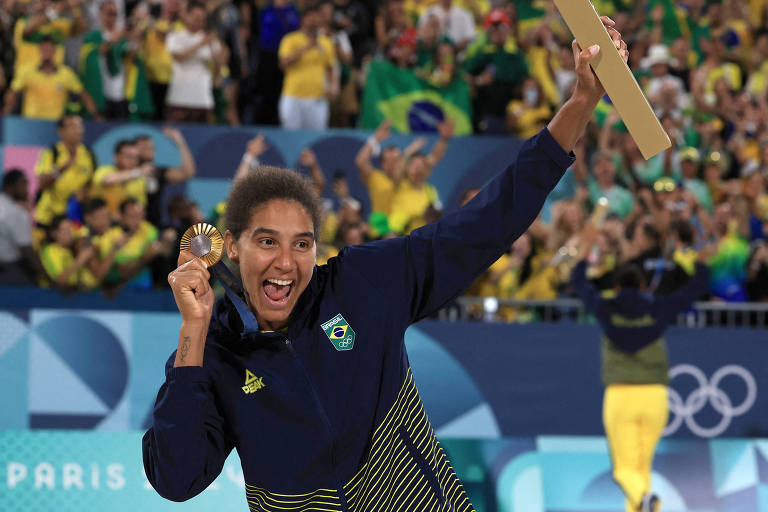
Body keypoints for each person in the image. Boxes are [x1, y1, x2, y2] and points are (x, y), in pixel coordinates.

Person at [143, 20, 627, 511]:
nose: (285, 263)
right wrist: (194, 332)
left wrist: (580, 103)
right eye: (267, 242)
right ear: (232, 244)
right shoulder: (213, 348)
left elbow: (484, 225)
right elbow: (176, 479)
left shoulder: (362, 284)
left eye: (302, 244)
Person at [571, 223, 709, 512]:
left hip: (620, 396)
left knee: (625, 469)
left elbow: (580, 284)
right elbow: (693, 290)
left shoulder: (605, 307)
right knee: (641, 467)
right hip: (655, 397)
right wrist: (700, 261)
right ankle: (648, 506)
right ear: (643, 286)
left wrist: (585, 255)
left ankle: (646, 502)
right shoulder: (658, 307)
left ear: (617, 286)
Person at [3, 34, 100, 120]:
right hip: (30, 123)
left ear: (55, 51)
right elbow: (12, 93)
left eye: (49, 50)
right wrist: (5, 113)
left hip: (55, 125)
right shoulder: (27, 71)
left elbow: (83, 95)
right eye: (44, 49)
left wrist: (96, 115)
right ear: (39, 50)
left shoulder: (66, 74)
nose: (47, 53)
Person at [278, 1, 339, 130]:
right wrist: (306, 48)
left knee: (316, 137)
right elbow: (283, 63)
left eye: (316, 18)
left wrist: (333, 85)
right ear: (303, 20)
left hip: (317, 97)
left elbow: (331, 66)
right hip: (293, 95)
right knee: (291, 135)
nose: (313, 21)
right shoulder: (290, 39)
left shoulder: (326, 42)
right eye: (310, 18)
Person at [165, 1, 225, 124]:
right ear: (186, 15)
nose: (198, 21)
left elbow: (219, 65)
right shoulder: (175, 36)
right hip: (179, 97)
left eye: (202, 19)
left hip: (202, 97)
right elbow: (178, 56)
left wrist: (216, 52)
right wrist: (200, 44)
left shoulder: (210, 38)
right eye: (195, 17)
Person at [33, 114, 97, 228]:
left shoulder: (89, 154)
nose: (78, 130)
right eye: (72, 127)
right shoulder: (52, 153)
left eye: (80, 126)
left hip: (75, 216)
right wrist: (62, 168)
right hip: (49, 217)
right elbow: (42, 184)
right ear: (61, 131)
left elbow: (91, 183)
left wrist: (84, 193)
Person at [134, 128, 196, 227]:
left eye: (151, 147)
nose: (150, 149)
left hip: (153, 227)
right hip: (131, 226)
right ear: (134, 151)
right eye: (144, 147)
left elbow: (188, 173)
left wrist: (180, 142)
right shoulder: (126, 173)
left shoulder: (157, 172)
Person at [0, 170, 38, 285]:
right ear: (10, 187)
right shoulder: (15, 213)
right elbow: (27, 251)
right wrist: (47, 278)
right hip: (8, 269)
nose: (27, 189)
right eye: (23, 184)